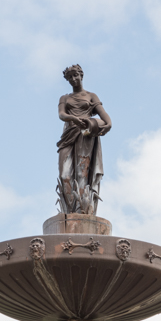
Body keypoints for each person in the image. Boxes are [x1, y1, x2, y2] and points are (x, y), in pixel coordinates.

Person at [56, 64, 112, 215]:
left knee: (82, 173)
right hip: (68, 135)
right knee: (64, 175)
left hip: (85, 134)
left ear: (81, 75)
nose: (73, 79)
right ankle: (69, 210)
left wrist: (107, 124)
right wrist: (73, 118)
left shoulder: (91, 96)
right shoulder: (65, 98)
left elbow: (104, 115)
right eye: (70, 78)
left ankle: (82, 210)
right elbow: (62, 115)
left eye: (75, 75)